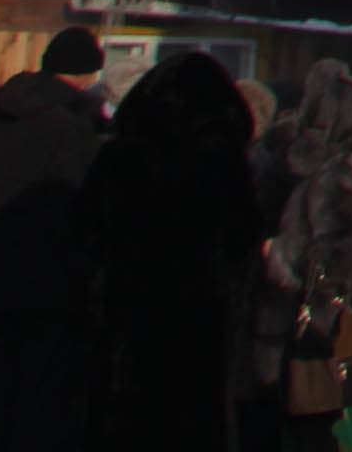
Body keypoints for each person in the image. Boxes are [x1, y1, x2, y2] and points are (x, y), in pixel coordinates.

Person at [79, 50, 261, 452]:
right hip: (198, 323)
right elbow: (245, 237)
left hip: (125, 321)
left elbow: (86, 234)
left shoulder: (120, 158)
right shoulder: (223, 163)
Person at [0, 28, 106, 452]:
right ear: (85, 73)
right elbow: (76, 207)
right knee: (38, 407)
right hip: (46, 283)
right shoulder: (71, 126)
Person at [251, 61, 352, 452]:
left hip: (321, 329)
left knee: (315, 433)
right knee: (343, 433)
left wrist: (278, 256)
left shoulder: (336, 173)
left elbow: (330, 256)